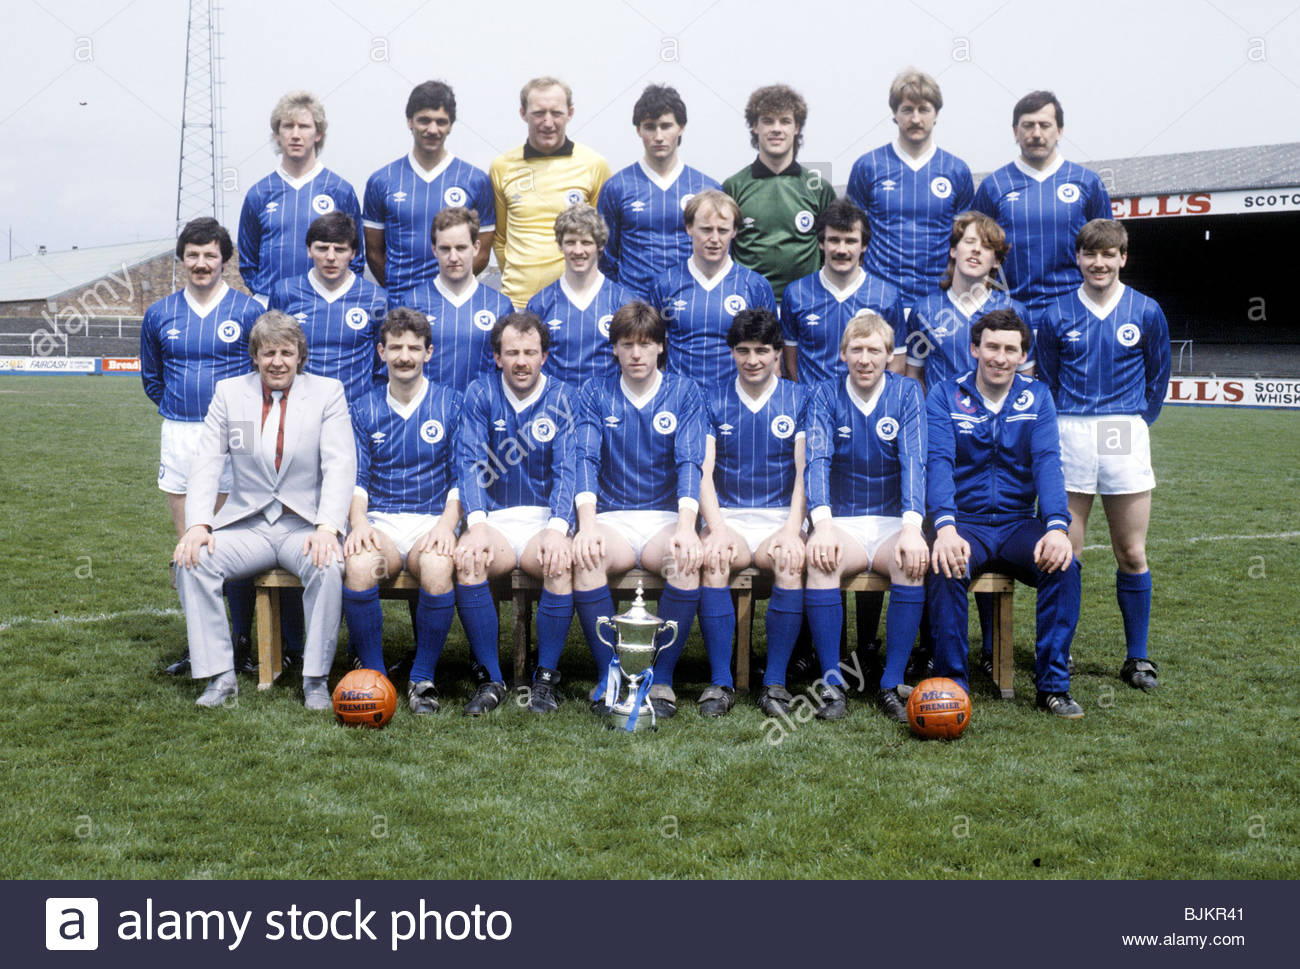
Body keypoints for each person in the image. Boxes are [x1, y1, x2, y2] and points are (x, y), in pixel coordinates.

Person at [172, 311, 355, 709]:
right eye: (268, 352)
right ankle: (220, 677)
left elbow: (340, 464)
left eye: (286, 352)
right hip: (248, 525)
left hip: (302, 526)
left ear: (300, 357)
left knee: (328, 566)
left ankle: (316, 679)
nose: (277, 361)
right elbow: (207, 462)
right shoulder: (230, 394)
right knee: (192, 560)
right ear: (255, 356)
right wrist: (198, 525)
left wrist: (327, 528)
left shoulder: (327, 393)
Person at [925, 309, 1084, 717]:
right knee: (945, 565)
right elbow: (939, 462)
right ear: (975, 349)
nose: (1000, 357)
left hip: (1017, 524)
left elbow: (1048, 463)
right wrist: (944, 527)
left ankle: (1052, 685)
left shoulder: (1038, 396)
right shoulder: (945, 394)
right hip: (965, 524)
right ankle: (951, 686)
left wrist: (1057, 527)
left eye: (1010, 349)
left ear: (1022, 355)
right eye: (992, 346)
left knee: (1066, 566)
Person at [1035, 219, 1171, 691]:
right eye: (1091, 254)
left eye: (1109, 254)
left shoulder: (1146, 311)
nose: (1099, 263)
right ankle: (1060, 651)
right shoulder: (1055, 315)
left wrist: (1134, 423)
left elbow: (1158, 379)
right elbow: (1047, 382)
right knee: (1064, 552)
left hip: (1123, 429)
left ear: (1122, 258)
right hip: (1069, 428)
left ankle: (1137, 658)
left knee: (1131, 550)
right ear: (1078, 258)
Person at [571, 301, 705, 719]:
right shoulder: (594, 392)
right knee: (587, 557)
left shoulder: (684, 392)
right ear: (613, 349)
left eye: (646, 345)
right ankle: (609, 675)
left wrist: (686, 527)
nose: (636, 354)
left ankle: (659, 678)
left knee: (684, 560)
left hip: (664, 519)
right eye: (627, 344)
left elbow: (689, 461)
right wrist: (588, 525)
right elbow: (585, 459)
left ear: (661, 348)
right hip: (612, 518)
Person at [140, 218, 263, 676]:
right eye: (192, 254)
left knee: (236, 543)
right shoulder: (159, 313)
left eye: (210, 254)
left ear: (224, 260)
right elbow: (153, 379)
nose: (201, 263)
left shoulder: (248, 311)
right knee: (189, 545)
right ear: (181, 259)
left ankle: (243, 641)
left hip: (238, 433)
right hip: (181, 431)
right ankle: (201, 646)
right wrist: (185, 408)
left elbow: (261, 374)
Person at [803, 312, 929, 722]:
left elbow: (915, 462)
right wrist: (822, 526)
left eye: (874, 350)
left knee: (912, 562)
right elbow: (816, 462)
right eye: (856, 349)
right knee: (822, 563)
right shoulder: (824, 394)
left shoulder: (907, 393)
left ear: (890, 355)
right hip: (843, 521)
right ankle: (833, 685)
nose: (865, 358)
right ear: (842, 354)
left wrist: (912, 528)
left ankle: (891, 684)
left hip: (894, 521)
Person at [340, 308, 464, 715]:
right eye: (396, 347)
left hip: (432, 518)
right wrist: (358, 524)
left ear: (429, 352)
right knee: (359, 567)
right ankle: (374, 679)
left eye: (414, 347)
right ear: (381, 351)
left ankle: (422, 677)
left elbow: (461, 476)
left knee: (436, 567)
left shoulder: (452, 403)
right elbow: (357, 479)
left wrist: (447, 526)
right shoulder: (362, 408)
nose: (404, 356)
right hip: (382, 522)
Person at [455, 312, 578, 714]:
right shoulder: (479, 393)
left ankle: (545, 680)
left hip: (545, 519)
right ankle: (491, 679)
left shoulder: (563, 397)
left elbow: (568, 470)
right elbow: (470, 461)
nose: (521, 361)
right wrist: (476, 525)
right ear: (497, 357)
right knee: (470, 560)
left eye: (529, 352)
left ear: (544, 356)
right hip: (497, 519)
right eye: (512, 353)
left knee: (559, 563)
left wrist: (559, 528)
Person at [697, 309, 809, 718]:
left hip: (781, 514)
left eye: (762, 350)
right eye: (743, 350)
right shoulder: (712, 397)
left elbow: (804, 472)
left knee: (789, 561)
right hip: (729, 514)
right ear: (731, 353)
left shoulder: (799, 398)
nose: (752, 359)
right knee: (714, 560)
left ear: (778, 353)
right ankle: (721, 681)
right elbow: (703, 471)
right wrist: (717, 528)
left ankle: (774, 682)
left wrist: (794, 530)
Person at [972, 90, 1112, 323]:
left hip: (1075, 314)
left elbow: (1108, 251)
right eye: (1028, 125)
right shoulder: (993, 186)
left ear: (1059, 131)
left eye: (1044, 125)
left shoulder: (1088, 182)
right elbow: (976, 254)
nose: (1036, 133)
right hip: (1009, 316)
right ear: (1015, 132)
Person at [846, 70, 973, 311]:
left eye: (923, 109)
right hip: (879, 297)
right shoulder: (868, 166)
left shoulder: (957, 171)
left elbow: (964, 242)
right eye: (907, 110)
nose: (915, 119)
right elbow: (853, 238)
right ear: (894, 113)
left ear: (936, 114)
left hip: (939, 299)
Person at [363, 81, 495, 305]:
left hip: (453, 304)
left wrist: (448, 289)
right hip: (400, 306)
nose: (433, 130)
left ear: (451, 125)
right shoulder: (381, 181)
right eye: (424, 120)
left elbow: (481, 253)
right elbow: (374, 253)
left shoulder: (475, 180)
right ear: (409, 121)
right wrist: (404, 295)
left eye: (441, 122)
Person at [490, 77, 611, 308]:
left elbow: (602, 237)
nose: (548, 122)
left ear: (570, 113)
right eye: (538, 113)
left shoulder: (595, 165)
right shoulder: (501, 166)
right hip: (516, 303)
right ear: (523, 113)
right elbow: (500, 238)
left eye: (556, 113)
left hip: (574, 302)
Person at [238, 91, 365, 304]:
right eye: (288, 126)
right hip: (272, 311)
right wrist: (267, 298)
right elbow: (248, 262)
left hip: (324, 306)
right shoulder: (259, 194)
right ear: (277, 134)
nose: (295, 134)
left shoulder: (340, 190)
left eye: (304, 126)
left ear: (318, 133)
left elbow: (357, 258)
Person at [597, 84, 721, 300]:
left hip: (691, 300)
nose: (658, 136)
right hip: (634, 305)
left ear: (681, 127)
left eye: (666, 126)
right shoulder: (617, 187)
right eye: (650, 127)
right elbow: (605, 256)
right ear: (638, 130)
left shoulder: (706, 188)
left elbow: (721, 251)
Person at [647, 190, 775, 388]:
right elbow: (653, 352)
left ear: (734, 231)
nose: (715, 238)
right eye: (706, 230)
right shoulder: (664, 284)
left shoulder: (755, 285)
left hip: (735, 403)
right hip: (682, 402)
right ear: (689, 228)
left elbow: (771, 355)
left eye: (722, 230)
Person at [722, 84, 836, 301]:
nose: (776, 129)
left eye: (785, 121)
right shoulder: (733, 187)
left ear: (797, 128)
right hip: (749, 303)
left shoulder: (819, 188)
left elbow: (830, 250)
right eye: (768, 121)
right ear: (755, 127)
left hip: (806, 304)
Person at [780, 199, 906, 385]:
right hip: (812, 407)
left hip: (865, 408)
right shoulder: (796, 293)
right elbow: (790, 364)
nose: (841, 249)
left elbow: (896, 363)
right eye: (834, 240)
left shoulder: (887, 296)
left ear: (864, 245)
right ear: (821, 243)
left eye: (850, 241)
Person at [268, 212, 387, 404]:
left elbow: (383, 361)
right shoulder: (285, 292)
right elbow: (271, 351)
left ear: (353, 253)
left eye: (340, 250)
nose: (330, 257)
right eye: (322, 248)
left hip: (354, 411)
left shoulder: (376, 298)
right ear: (309, 250)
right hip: (298, 409)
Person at [906, 211, 1028, 392]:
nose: (976, 249)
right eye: (970, 242)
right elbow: (913, 377)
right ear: (954, 250)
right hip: (941, 418)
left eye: (986, 246)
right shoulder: (924, 310)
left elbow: (1025, 378)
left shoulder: (1014, 311)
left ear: (996, 261)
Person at [404, 207, 516, 393]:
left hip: (481, 416)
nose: (453, 257)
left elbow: (509, 372)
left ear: (476, 248)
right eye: (445, 249)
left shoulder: (500, 306)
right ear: (434, 250)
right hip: (428, 416)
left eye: (461, 248)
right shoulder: (412, 303)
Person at [525, 204, 635, 387]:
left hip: (607, 409)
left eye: (586, 242)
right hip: (556, 408)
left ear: (599, 245)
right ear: (560, 245)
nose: (578, 251)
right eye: (570, 242)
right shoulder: (540, 305)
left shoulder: (623, 302)